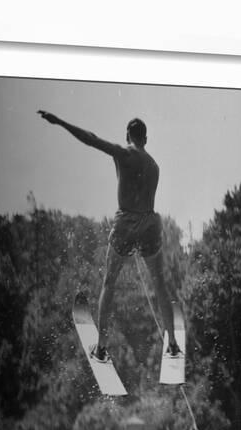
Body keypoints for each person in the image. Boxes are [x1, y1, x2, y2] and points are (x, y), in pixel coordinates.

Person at [37, 110, 181, 361]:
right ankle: (173, 344)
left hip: (126, 223)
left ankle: (102, 348)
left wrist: (60, 121)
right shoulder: (155, 166)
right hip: (150, 223)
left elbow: (90, 138)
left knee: (109, 283)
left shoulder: (124, 153)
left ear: (128, 136)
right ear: (145, 139)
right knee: (159, 285)